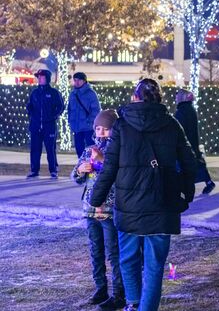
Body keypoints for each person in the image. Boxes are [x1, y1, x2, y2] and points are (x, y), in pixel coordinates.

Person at [90, 79, 197, 311]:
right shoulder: (172, 124)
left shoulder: (121, 125)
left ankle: (133, 303)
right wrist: (187, 193)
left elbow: (110, 166)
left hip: (129, 204)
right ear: (159, 98)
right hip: (163, 201)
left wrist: (95, 199)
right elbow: (190, 161)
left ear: (135, 97)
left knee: (128, 258)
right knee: (155, 265)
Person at [70, 109, 124, 310]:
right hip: (90, 209)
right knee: (96, 251)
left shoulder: (117, 150)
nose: (101, 133)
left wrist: (101, 161)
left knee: (113, 252)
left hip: (109, 210)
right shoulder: (88, 149)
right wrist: (80, 170)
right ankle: (100, 287)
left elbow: (118, 176)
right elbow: (76, 178)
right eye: (98, 128)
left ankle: (119, 291)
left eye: (106, 129)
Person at [174, 89, 216, 195]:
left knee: (186, 164)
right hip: (192, 140)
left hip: (186, 142)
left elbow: (178, 126)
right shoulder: (189, 109)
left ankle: (184, 186)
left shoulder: (182, 111)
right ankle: (207, 181)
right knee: (196, 162)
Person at [26, 69, 65, 179]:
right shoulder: (34, 93)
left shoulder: (53, 93)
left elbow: (61, 106)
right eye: (39, 77)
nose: (40, 79)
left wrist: (53, 116)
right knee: (35, 149)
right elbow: (29, 106)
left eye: (42, 77)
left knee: (50, 149)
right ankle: (34, 170)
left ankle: (53, 170)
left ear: (47, 79)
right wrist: (31, 114)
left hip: (49, 126)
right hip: (36, 125)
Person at [68, 72, 101, 158]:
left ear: (84, 81)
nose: (77, 82)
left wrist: (89, 121)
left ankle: (92, 168)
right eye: (75, 80)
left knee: (91, 149)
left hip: (88, 128)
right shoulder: (73, 94)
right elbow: (70, 109)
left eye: (79, 80)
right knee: (79, 150)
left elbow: (96, 110)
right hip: (77, 127)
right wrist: (71, 121)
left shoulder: (91, 93)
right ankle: (81, 167)